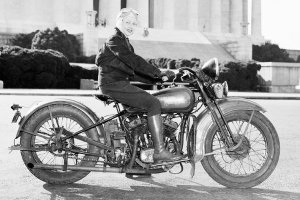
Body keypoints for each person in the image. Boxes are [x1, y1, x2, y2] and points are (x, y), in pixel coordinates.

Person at [95, 8, 182, 163]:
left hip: (118, 83)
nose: (130, 26)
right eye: (127, 22)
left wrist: (158, 79)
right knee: (153, 103)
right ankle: (159, 151)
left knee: (144, 107)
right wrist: (157, 71)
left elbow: (134, 71)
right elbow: (134, 61)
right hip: (113, 84)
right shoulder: (115, 39)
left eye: (133, 23)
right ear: (118, 21)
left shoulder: (124, 41)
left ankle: (136, 158)